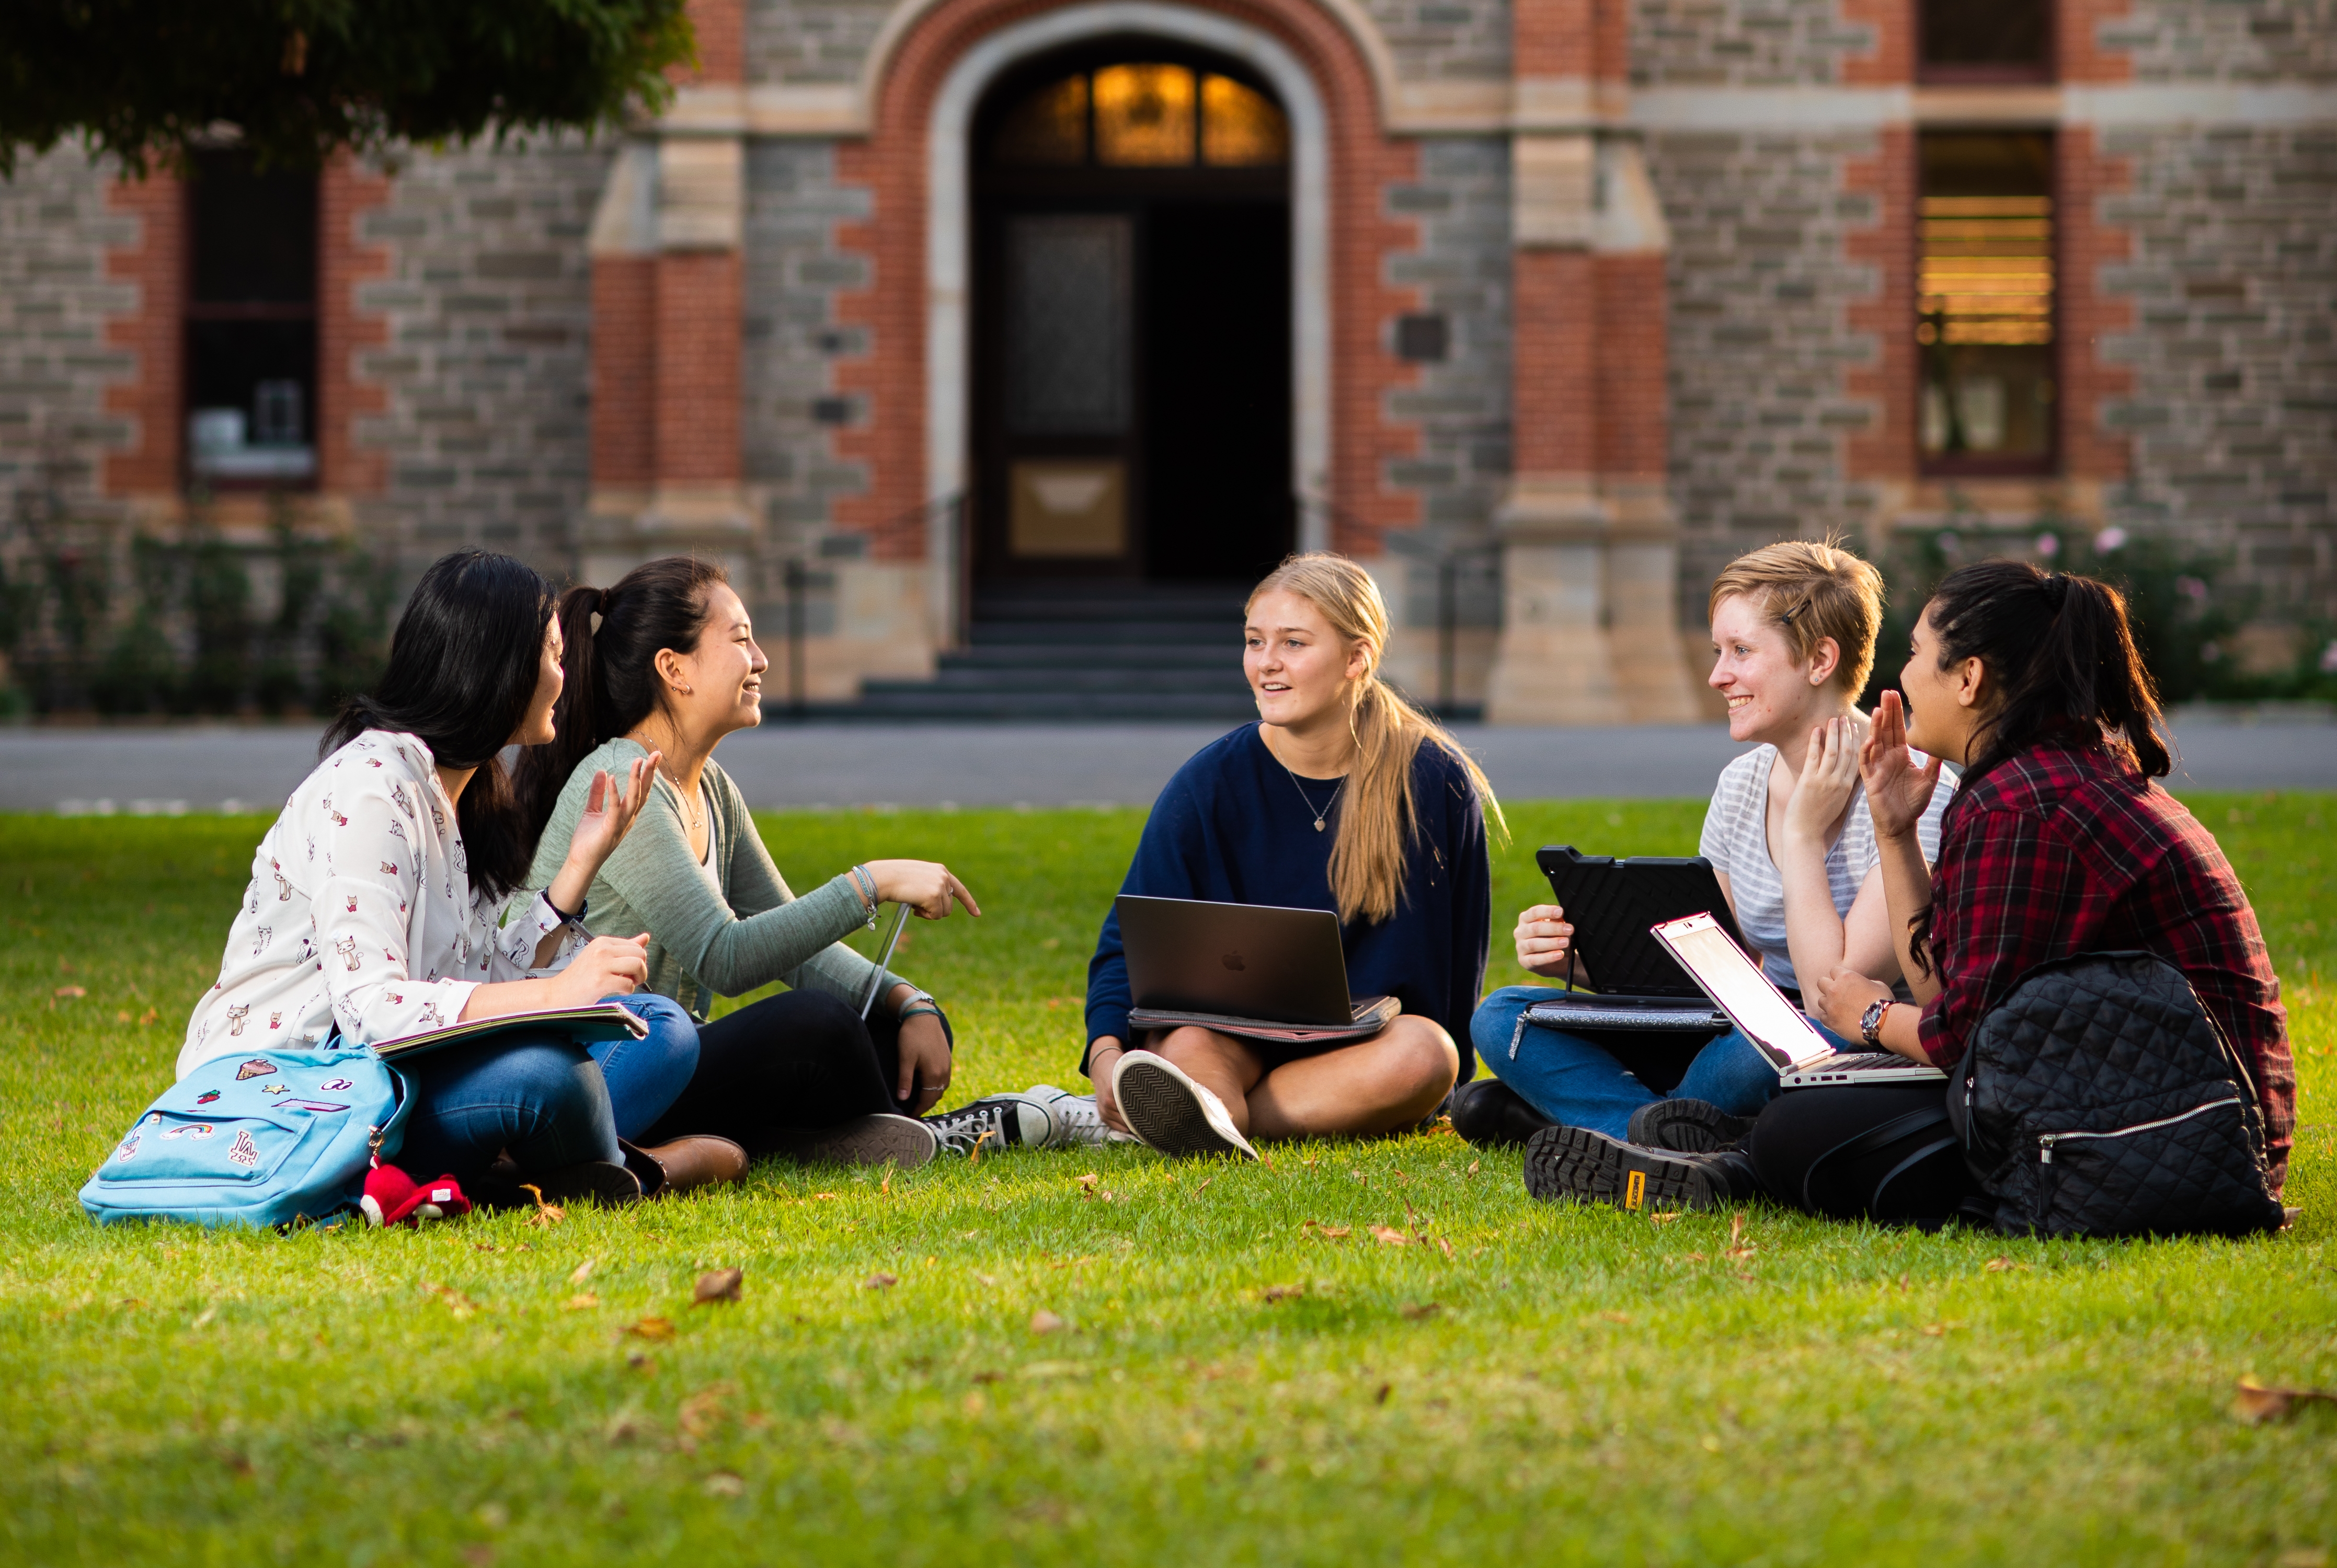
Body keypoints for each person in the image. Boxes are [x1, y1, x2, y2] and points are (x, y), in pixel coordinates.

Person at [1527, 559, 2298, 1218]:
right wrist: (1896, 832)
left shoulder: (2026, 806)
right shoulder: (2021, 785)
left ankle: (1723, 1163)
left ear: (1968, 678)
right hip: (2138, 1096)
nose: (1897, 677)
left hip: (2175, 1129)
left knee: (1804, 1122)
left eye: (1916, 655)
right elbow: (1951, 991)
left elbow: (1955, 1036)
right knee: (1809, 1109)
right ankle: (1714, 1148)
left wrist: (1866, 1013)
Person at [177, 548, 734, 1209]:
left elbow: (471, 979)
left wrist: (579, 866)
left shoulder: (461, 792)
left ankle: (534, 1165)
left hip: (407, 1076)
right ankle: (615, 1167)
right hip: (303, 1092)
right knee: (549, 1078)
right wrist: (558, 995)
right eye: (553, 656)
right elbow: (371, 1010)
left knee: (657, 1027)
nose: (564, 675)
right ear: (497, 667)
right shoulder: (371, 792)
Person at [518, 557, 1074, 1169]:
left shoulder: (714, 791)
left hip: (670, 1058)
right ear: (674, 669)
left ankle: (821, 1137)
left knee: (883, 1030)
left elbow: (793, 943)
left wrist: (907, 998)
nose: (760, 660)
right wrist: (873, 883)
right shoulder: (624, 780)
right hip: (607, 1076)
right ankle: (929, 1137)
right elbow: (723, 956)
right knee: (817, 1026)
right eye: (740, 640)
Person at [1462, 539, 1953, 1150]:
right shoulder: (1742, 784)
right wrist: (1577, 959)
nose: (1719, 675)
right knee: (1504, 1015)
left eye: (1742, 652)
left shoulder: (1913, 789)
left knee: (1758, 1057)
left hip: (1839, 1039)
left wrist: (1802, 835)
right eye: (1720, 651)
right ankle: (1667, 1131)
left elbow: (1837, 991)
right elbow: (1721, 965)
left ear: (1820, 659)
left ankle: (1610, 1125)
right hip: (1737, 1027)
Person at [1081, 552, 1499, 1159]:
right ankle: (1204, 1106)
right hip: (1228, 1033)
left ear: (1357, 658)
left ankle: (1214, 1117)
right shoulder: (1208, 783)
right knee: (1189, 1046)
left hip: (1368, 1044)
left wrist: (1442, 1085)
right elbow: (1130, 940)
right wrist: (1107, 1053)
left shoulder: (1435, 781)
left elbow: (1463, 956)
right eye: (1255, 642)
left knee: (1427, 1053)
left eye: (1294, 643)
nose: (1266, 664)